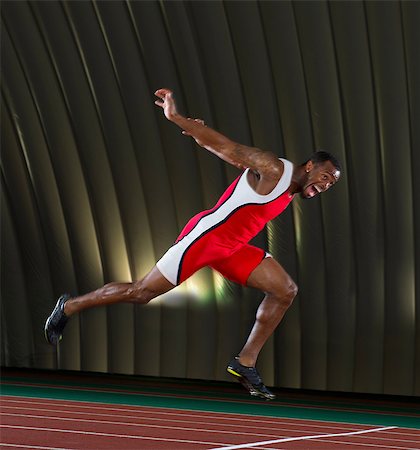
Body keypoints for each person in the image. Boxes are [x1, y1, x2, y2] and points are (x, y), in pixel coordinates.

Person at [45, 88, 341, 400]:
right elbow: (229, 147)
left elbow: (222, 151)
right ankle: (69, 306)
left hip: (233, 248)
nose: (326, 185)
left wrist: (197, 134)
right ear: (310, 166)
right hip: (205, 239)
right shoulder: (274, 169)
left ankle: (245, 363)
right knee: (141, 292)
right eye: (325, 176)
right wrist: (175, 117)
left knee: (285, 290)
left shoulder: (291, 188)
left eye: (332, 184)